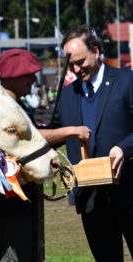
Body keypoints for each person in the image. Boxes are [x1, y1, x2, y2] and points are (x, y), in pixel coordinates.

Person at [0, 48, 91, 262]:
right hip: (6, 209)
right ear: (12, 77)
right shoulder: (2, 109)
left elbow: (35, 142)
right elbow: (31, 137)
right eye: (28, 74)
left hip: (23, 205)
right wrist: (71, 131)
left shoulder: (17, 105)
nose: (33, 79)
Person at [51, 24, 133, 262]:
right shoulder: (66, 95)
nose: (76, 69)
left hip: (129, 193)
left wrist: (123, 148)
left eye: (80, 62)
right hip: (91, 202)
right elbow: (53, 135)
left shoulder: (127, 81)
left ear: (96, 51)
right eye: (71, 64)